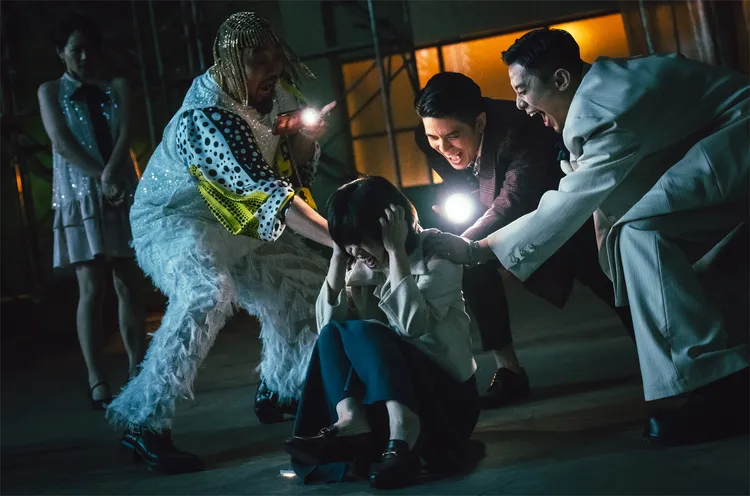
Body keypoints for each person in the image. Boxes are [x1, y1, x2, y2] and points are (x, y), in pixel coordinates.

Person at [428, 28, 749, 445]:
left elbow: (570, 198)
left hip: (736, 136)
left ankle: (715, 386)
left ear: (561, 80)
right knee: (633, 236)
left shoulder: (604, 110)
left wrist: (478, 248)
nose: (520, 104)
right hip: (712, 141)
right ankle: (707, 380)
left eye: (523, 90)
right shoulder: (598, 93)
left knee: (637, 231)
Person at [105, 12, 336, 473]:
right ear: (231, 62)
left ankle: (281, 388)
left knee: (308, 284)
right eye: (258, 60)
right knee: (206, 292)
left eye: (276, 58)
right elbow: (268, 195)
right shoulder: (206, 118)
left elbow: (290, 176)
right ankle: (143, 421)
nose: (272, 69)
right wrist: (342, 240)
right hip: (174, 221)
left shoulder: (279, 96)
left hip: (238, 218)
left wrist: (306, 141)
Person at [414, 72, 634, 408]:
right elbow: (461, 177)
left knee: (610, 278)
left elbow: (514, 201)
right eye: (434, 137)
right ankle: (509, 370)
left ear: (480, 122)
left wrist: (464, 240)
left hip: (559, 210)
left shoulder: (518, 130)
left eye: (454, 136)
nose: (444, 148)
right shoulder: (427, 136)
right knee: (472, 265)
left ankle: (664, 351)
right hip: (491, 207)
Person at [283, 176, 480, 489]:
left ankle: (405, 433)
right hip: (394, 394)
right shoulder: (362, 264)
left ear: (391, 227)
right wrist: (338, 257)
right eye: (348, 241)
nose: (355, 250)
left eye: (360, 239)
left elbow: (412, 326)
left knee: (369, 330)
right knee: (336, 332)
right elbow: (326, 329)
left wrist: (395, 252)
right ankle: (351, 420)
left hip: (446, 402)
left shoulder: (438, 255)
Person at [38, 16, 145, 410]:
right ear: (61, 53)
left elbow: (125, 133)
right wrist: (101, 177)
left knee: (128, 282)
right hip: (80, 193)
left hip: (118, 190)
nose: (83, 56)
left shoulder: (116, 87)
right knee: (91, 287)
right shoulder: (51, 91)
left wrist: (112, 174)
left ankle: (138, 371)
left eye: (89, 49)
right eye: (75, 49)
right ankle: (96, 378)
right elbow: (61, 142)